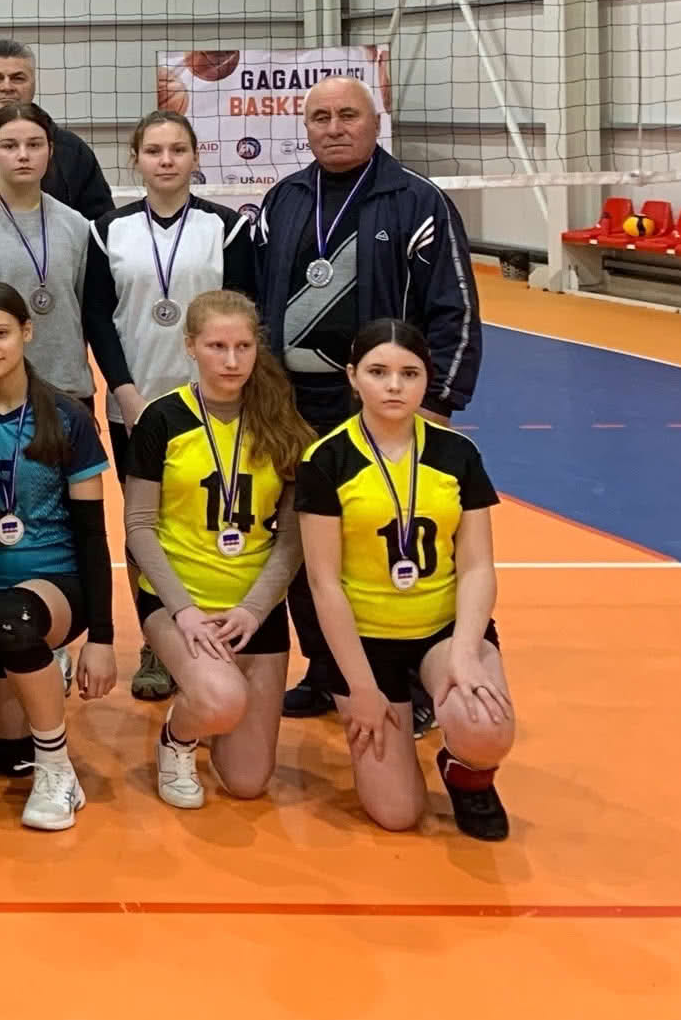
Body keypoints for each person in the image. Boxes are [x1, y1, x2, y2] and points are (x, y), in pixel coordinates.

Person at [256, 76, 480, 719]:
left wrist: (436, 405)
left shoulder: (418, 201)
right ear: (306, 128)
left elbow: (456, 310)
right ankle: (328, 671)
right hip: (294, 409)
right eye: (320, 117)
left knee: (391, 541)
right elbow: (259, 305)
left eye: (347, 115)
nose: (334, 128)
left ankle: (413, 678)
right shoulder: (284, 200)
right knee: (305, 544)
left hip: (384, 408)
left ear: (374, 121)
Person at [294, 320, 513, 841]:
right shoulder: (326, 460)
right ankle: (392, 741)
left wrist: (465, 653)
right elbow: (324, 584)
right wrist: (360, 688)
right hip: (365, 643)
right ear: (353, 377)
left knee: (485, 724)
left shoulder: (457, 454)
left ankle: (468, 775)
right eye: (378, 372)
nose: (394, 386)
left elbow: (477, 566)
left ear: (426, 379)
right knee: (397, 814)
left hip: (441, 630)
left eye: (409, 373)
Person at [90, 109, 257, 705]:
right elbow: (98, 318)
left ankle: (218, 629)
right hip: (137, 405)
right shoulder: (108, 230)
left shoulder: (227, 228)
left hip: (215, 404)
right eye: (154, 150)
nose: (166, 160)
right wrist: (124, 390)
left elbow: (244, 311)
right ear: (135, 159)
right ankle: (157, 645)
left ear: (194, 157)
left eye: (177, 150)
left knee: (204, 518)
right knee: (145, 524)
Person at [124, 290, 309, 811]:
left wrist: (254, 609)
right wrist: (183, 611)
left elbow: (292, 537)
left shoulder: (279, 418)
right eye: (216, 346)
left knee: (248, 783)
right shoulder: (162, 419)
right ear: (190, 347)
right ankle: (178, 738)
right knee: (221, 700)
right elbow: (138, 527)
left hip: (253, 610)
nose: (231, 360)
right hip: (179, 604)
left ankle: (212, 699)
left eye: (243, 347)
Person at [0, 280, 116, 832]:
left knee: (15, 623)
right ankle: (1, 684)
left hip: (52, 583)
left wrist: (103, 638)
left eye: (0, 333)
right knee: (8, 757)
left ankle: (58, 768)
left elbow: (93, 535)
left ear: (26, 331)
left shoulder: (66, 416)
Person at [0, 102, 127, 408]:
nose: (23, 155)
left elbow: (92, 315)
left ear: (50, 151)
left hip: (64, 393)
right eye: (9, 145)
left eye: (34, 145)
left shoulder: (76, 226)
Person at [0, 38, 114, 221]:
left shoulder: (71, 150)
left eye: (18, 78)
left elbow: (99, 223)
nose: (7, 87)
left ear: (34, 85)